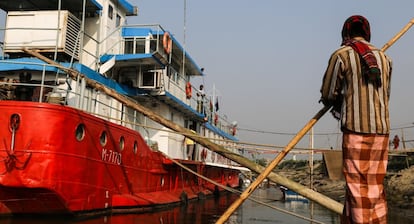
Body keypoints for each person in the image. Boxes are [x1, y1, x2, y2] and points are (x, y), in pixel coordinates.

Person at [320, 15, 392, 224]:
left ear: (346, 33)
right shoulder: (384, 59)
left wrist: (339, 99)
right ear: (367, 32)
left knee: (358, 189)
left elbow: (328, 93)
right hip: (382, 131)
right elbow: (385, 95)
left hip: (356, 130)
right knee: (374, 188)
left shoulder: (342, 55)